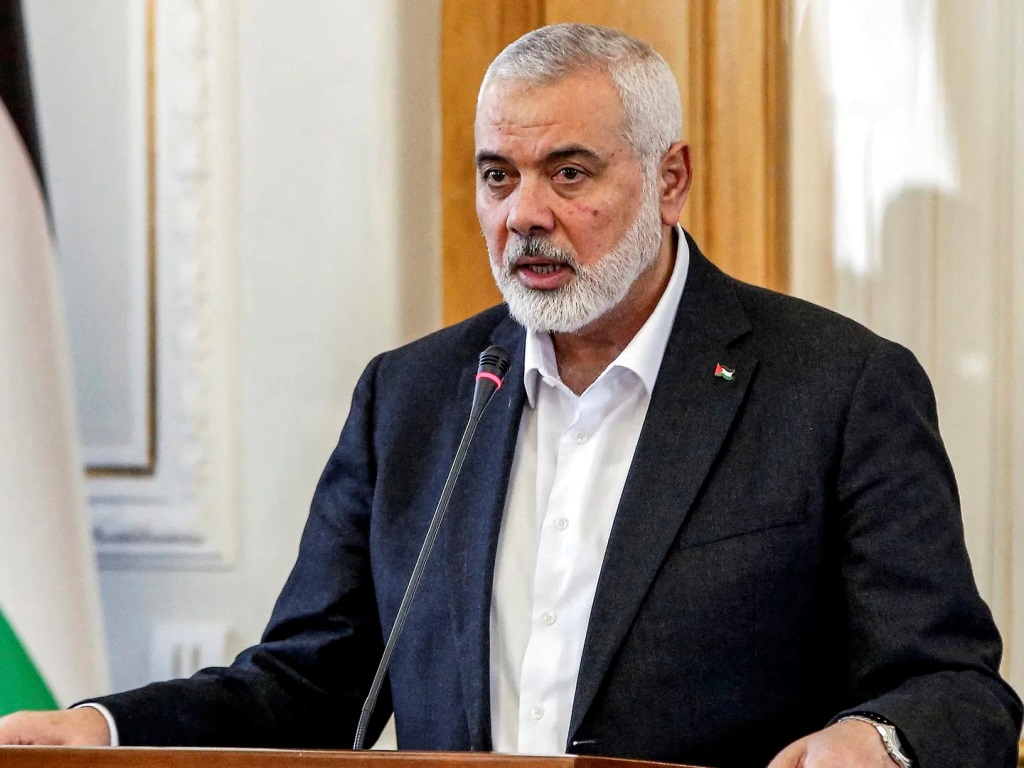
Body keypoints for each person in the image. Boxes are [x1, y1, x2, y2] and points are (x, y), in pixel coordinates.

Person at [1, 23, 1020, 768]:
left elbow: (953, 684)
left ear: (670, 180)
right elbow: (310, 684)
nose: (524, 215)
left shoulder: (834, 388)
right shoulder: (412, 398)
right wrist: (104, 728)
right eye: (498, 176)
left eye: (568, 174)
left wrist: (876, 739)